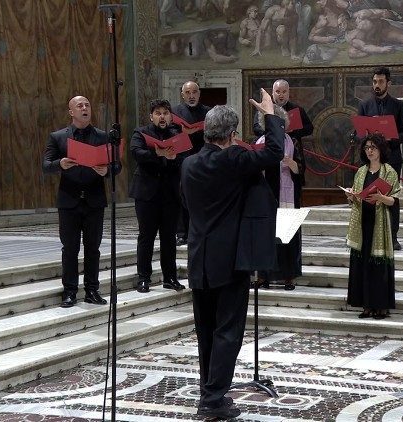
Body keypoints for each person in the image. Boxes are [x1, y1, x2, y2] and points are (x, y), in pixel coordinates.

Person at [180, 89, 283, 419]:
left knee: (206, 330)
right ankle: (213, 399)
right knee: (227, 331)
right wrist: (270, 114)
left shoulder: (189, 164)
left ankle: (208, 391)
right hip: (230, 260)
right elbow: (275, 152)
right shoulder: (233, 159)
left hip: (200, 257)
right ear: (231, 134)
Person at [42, 96, 121, 308]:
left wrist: (107, 171)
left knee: (93, 248)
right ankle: (69, 291)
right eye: (80, 106)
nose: (85, 108)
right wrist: (61, 163)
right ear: (71, 112)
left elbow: (117, 166)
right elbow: (46, 165)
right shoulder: (58, 137)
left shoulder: (103, 136)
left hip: (94, 200)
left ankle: (92, 290)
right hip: (69, 201)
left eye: (87, 105)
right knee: (70, 248)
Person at [129, 99, 186, 294]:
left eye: (166, 113)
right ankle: (144, 278)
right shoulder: (141, 132)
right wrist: (159, 153)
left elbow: (184, 156)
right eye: (158, 113)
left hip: (170, 193)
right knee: (146, 236)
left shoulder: (177, 133)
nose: (162, 116)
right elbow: (136, 153)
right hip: (147, 193)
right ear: (151, 116)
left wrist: (173, 157)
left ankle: (170, 277)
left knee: (169, 237)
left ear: (171, 116)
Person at [344, 134, 400, 320]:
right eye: (367, 147)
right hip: (362, 222)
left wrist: (381, 198)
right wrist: (351, 196)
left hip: (380, 224)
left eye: (373, 147)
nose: (369, 150)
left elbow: (395, 201)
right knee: (363, 264)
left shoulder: (389, 172)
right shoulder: (361, 172)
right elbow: (356, 196)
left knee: (378, 266)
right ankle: (366, 305)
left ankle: (381, 306)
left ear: (381, 150)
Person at [357, 67, 403, 250]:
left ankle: (393, 237)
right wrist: (367, 137)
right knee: (368, 197)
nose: (377, 85)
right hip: (370, 160)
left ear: (388, 83)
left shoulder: (398, 105)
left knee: (391, 198)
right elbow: (358, 134)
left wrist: (390, 138)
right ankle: (366, 234)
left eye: (380, 82)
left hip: (391, 160)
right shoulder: (365, 105)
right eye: (374, 82)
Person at [255, 106, 305, 290]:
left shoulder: (292, 142)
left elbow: (302, 170)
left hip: (286, 194)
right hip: (266, 193)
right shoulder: (261, 142)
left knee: (286, 237)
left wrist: (292, 164)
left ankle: (288, 276)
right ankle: (263, 276)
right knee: (264, 237)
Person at [172, 81, 212, 246]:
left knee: (203, 196)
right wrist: (183, 132)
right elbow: (170, 133)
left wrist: (197, 130)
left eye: (194, 92)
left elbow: (213, 132)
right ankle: (182, 233)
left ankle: (203, 230)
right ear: (182, 95)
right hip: (183, 159)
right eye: (187, 93)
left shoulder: (209, 112)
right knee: (182, 196)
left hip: (203, 159)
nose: (191, 96)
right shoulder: (175, 112)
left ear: (199, 93)